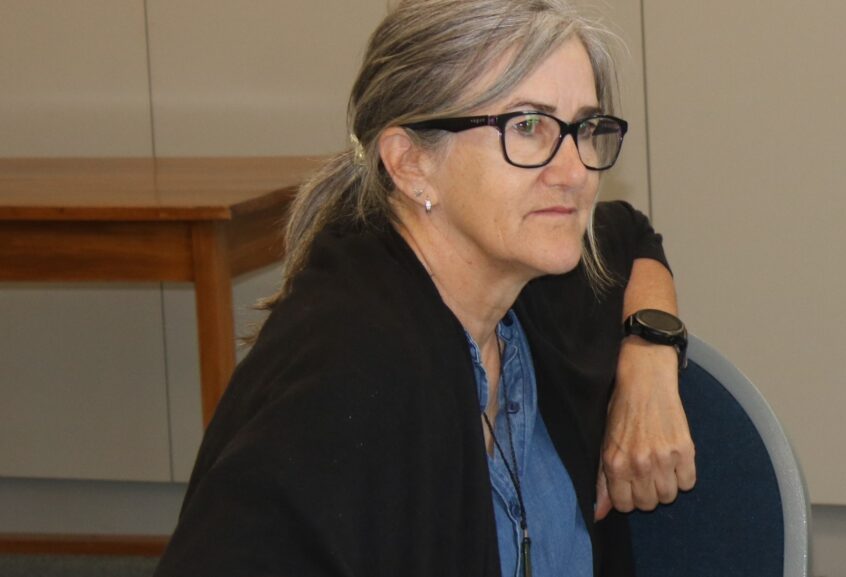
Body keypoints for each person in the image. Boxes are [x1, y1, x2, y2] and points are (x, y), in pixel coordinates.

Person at [154, 1, 693, 576]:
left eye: (584, 128)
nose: (575, 171)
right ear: (410, 164)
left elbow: (631, 238)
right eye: (527, 127)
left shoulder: (532, 276)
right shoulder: (350, 373)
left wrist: (649, 361)